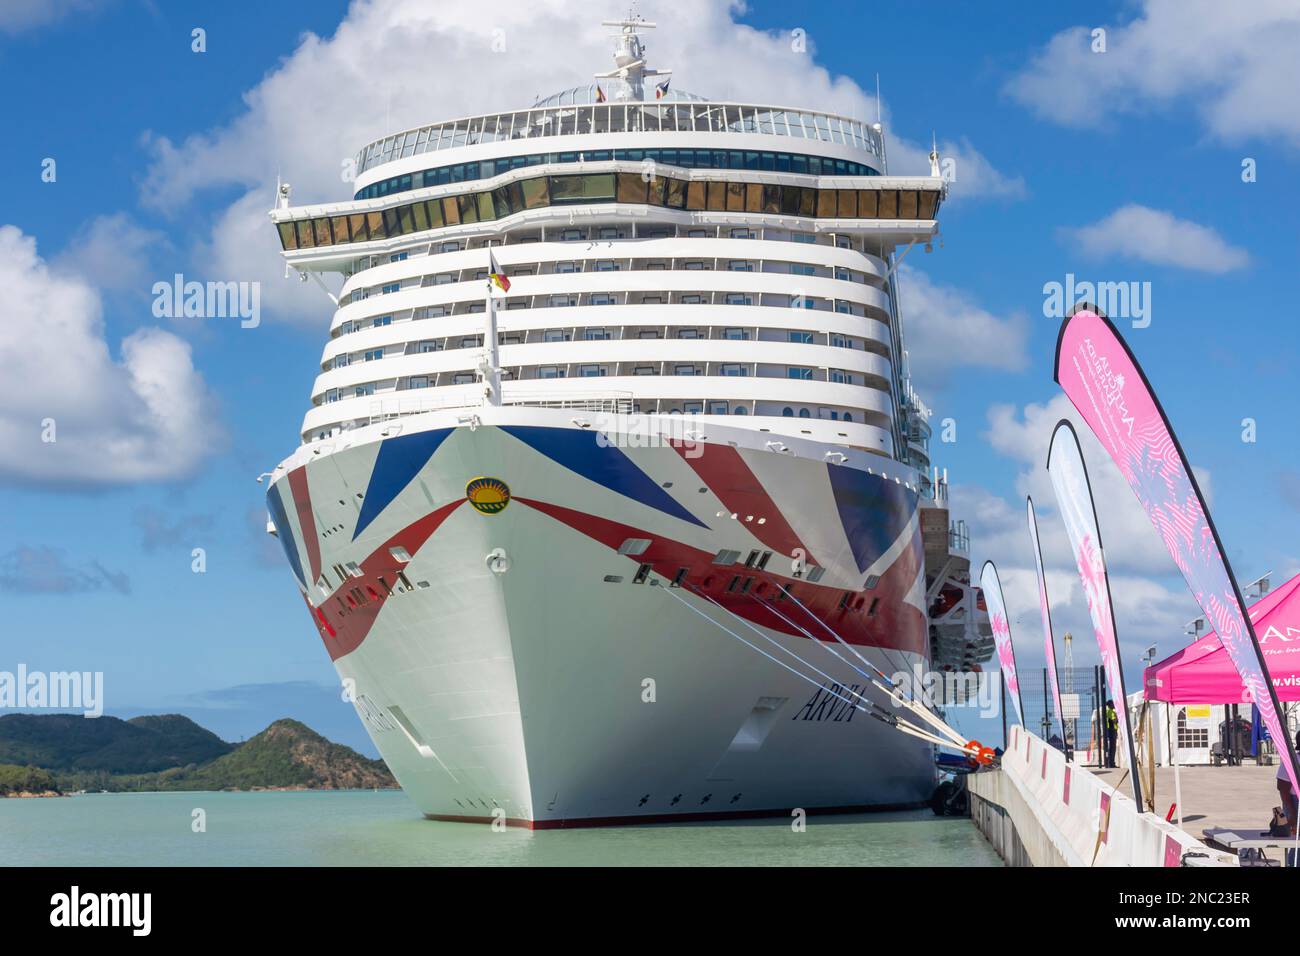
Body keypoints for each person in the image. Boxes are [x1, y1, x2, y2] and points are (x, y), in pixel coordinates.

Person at [1278, 732, 1300, 866]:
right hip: (1295, 803)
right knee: (1297, 844)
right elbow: (1282, 786)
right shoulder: (1293, 760)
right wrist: (1291, 813)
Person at [1103, 700, 1119, 769]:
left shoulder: (1108, 711)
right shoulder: (1110, 712)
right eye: (1113, 704)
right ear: (1110, 705)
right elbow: (1114, 721)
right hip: (1112, 730)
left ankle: (1110, 763)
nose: (1114, 705)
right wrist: (1118, 717)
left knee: (1111, 748)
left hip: (1110, 730)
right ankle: (1111, 763)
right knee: (1112, 748)